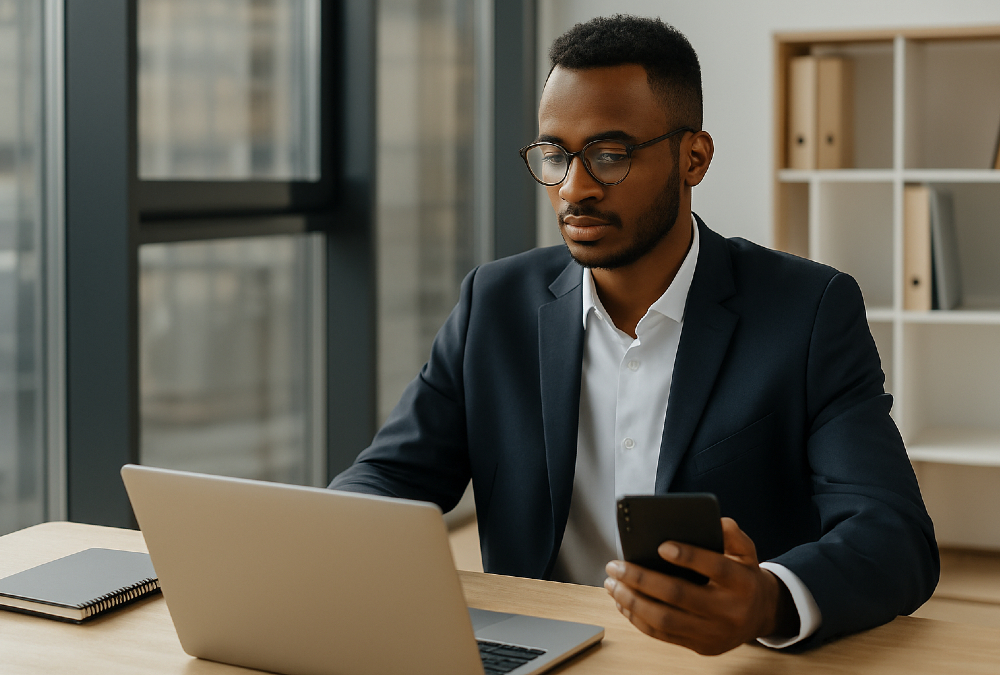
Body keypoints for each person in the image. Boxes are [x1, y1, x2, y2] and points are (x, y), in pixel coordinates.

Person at [330, 14, 938, 655]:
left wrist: (766, 599)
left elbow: (893, 533)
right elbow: (387, 481)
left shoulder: (808, 311)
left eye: (609, 156)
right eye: (556, 155)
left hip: (722, 661)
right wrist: (321, 539)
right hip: (532, 651)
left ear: (693, 158)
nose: (574, 188)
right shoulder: (495, 304)